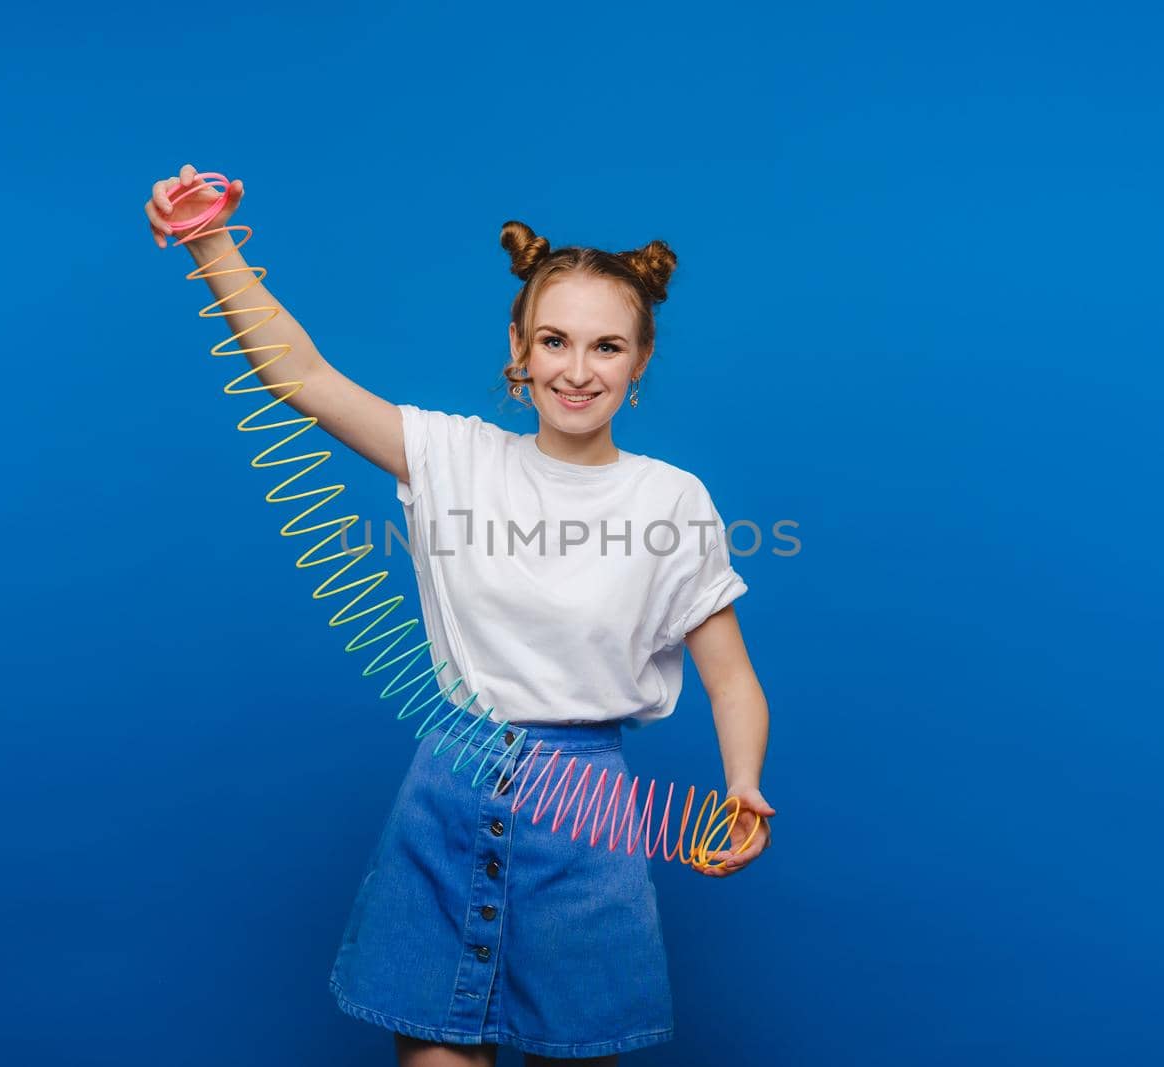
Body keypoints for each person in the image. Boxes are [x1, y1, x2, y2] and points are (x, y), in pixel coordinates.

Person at [144, 164, 776, 1066]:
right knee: (436, 1051)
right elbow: (307, 378)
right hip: (447, 794)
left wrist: (743, 780)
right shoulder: (452, 456)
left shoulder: (674, 500)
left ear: (639, 364)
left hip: (585, 818)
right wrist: (210, 241)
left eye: (607, 347)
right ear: (518, 348)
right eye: (555, 340)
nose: (577, 368)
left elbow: (732, 678)